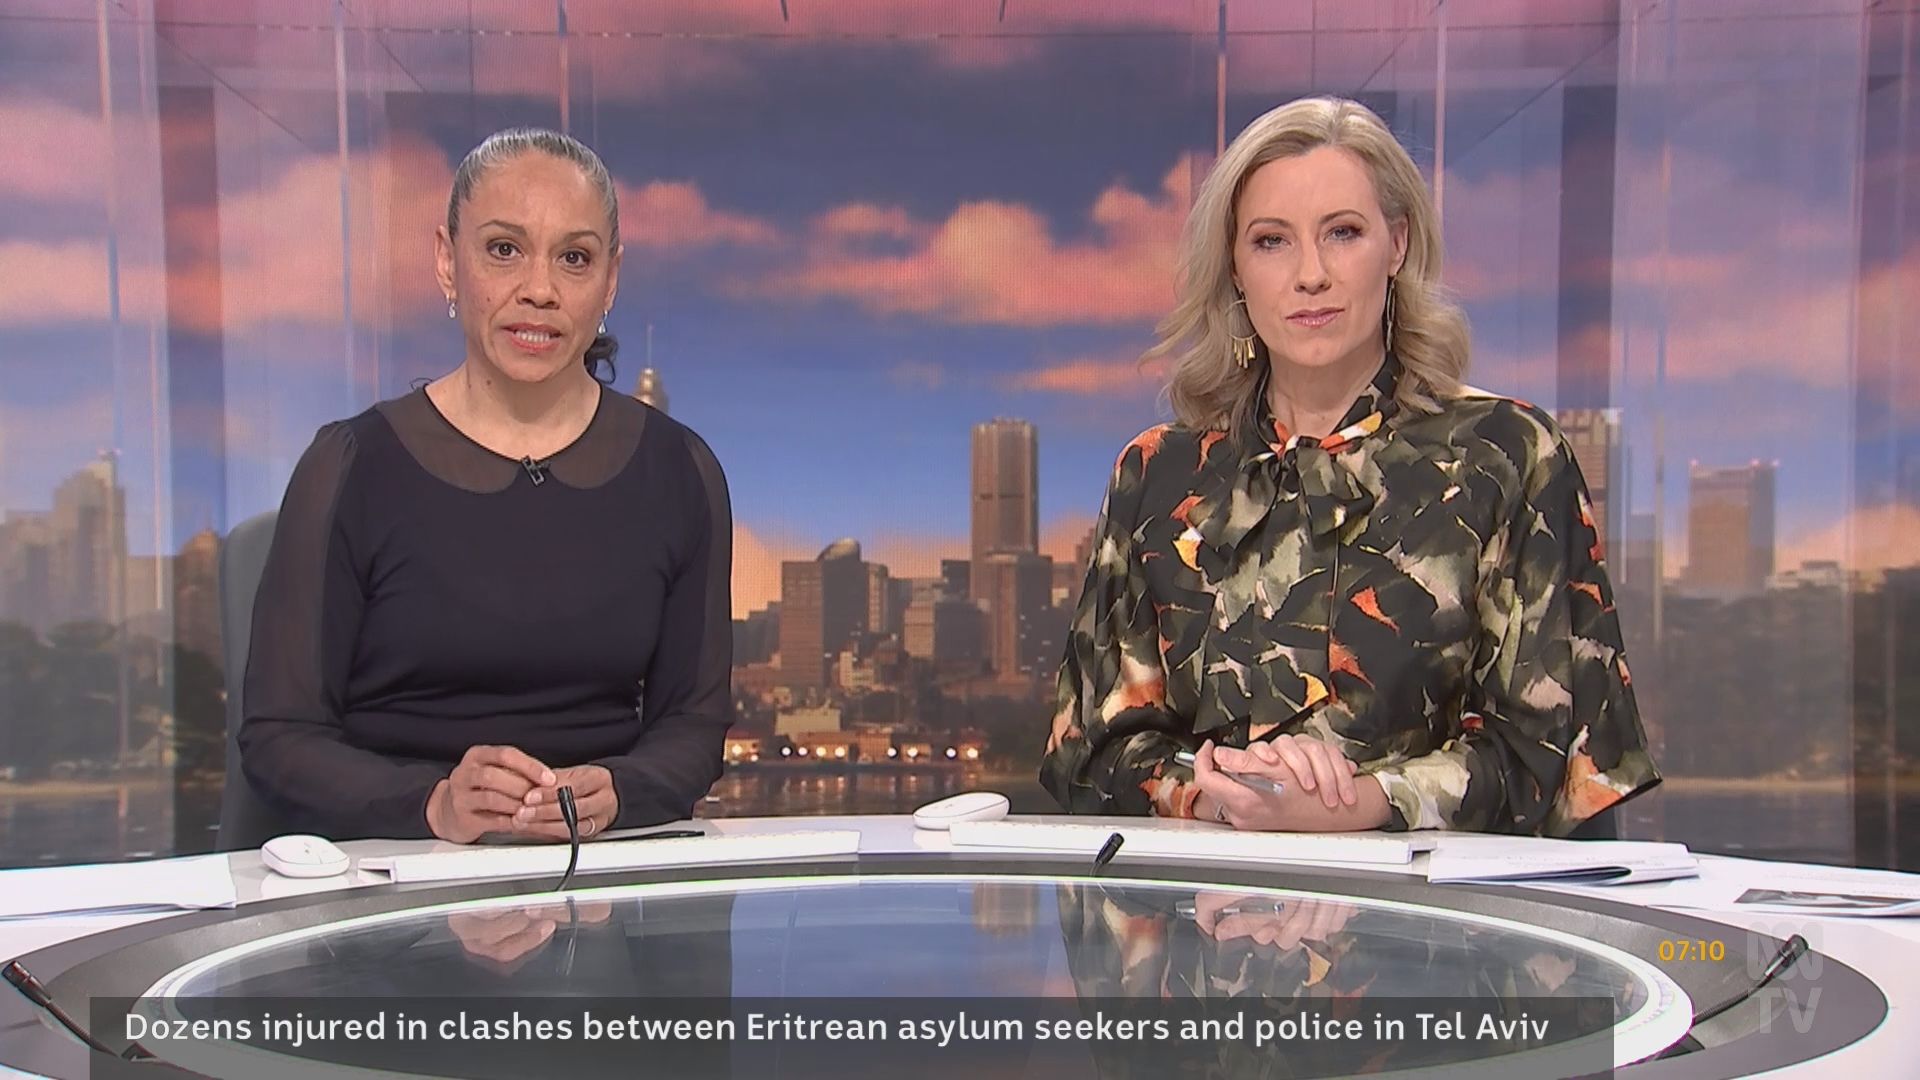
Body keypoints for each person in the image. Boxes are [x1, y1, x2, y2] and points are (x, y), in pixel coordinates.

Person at [1039, 97, 1658, 836]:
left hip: (1429, 905)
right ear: (1235, 267)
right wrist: (1228, 793)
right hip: (1205, 897)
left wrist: (1353, 803)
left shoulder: (1506, 455)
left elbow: (1546, 756)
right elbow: (1094, 750)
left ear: (1397, 244)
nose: (1311, 274)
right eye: (1272, 241)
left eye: (1343, 233)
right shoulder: (1158, 473)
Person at [239, 128, 733, 844]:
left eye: (574, 258)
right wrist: (435, 804)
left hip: (593, 869)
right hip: (397, 865)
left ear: (610, 280)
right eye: (504, 249)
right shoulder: (351, 466)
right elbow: (280, 737)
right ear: (448, 261)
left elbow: (693, 726)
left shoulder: (680, 470)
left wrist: (620, 790)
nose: (540, 290)